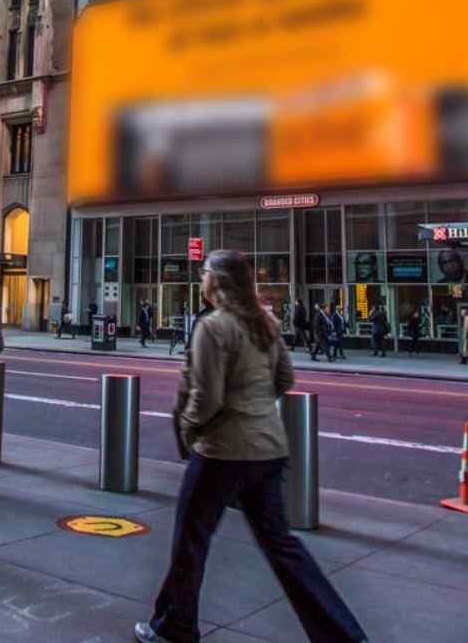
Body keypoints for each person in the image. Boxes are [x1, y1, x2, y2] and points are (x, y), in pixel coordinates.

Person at [135, 250, 366, 643]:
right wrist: (256, 410)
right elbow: (284, 378)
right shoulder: (266, 324)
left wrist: (189, 430)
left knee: (191, 539)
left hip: (222, 450)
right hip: (268, 449)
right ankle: (343, 636)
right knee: (282, 546)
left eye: (205, 272)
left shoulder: (214, 327)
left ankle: (175, 627)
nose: (201, 278)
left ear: (219, 281)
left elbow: (206, 398)